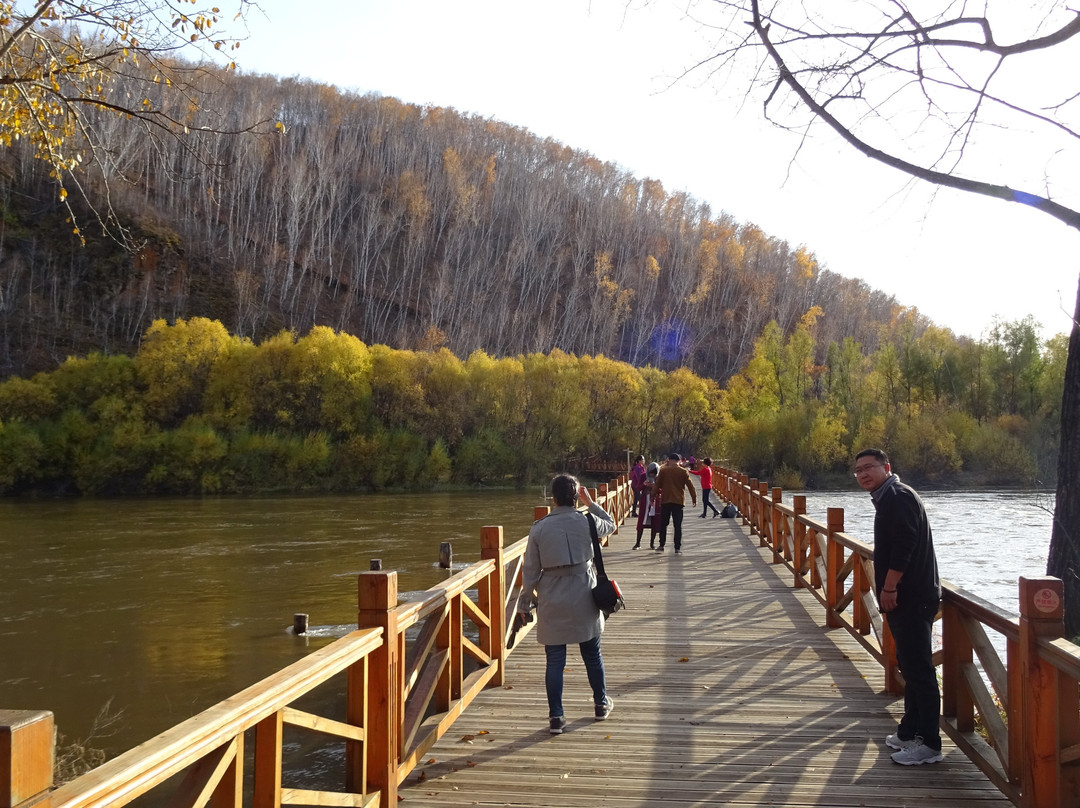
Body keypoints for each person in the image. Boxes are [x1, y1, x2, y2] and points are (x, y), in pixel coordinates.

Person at [854, 448, 943, 766]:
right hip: (906, 596)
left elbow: (905, 544)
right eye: (859, 470)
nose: (863, 474)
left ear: (886, 467)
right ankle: (909, 731)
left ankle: (930, 743)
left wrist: (889, 587)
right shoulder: (887, 495)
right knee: (909, 665)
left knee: (919, 670)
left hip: (911, 595)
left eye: (869, 467)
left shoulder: (898, 496)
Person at [517, 474, 617, 734]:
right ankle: (600, 704)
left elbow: (530, 573)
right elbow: (612, 523)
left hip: (552, 594)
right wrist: (591, 503)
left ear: (553, 497)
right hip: (584, 591)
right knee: (592, 654)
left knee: (555, 660)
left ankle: (556, 718)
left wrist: (524, 605)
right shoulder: (588, 521)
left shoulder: (539, 528)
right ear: (575, 497)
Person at [654, 453, 696, 555]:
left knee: (663, 524)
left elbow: (657, 485)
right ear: (678, 461)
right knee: (677, 526)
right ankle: (677, 548)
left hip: (666, 501)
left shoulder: (663, 471)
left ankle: (661, 545)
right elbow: (690, 486)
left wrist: (652, 497)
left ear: (670, 460)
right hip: (678, 501)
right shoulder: (683, 471)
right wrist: (694, 498)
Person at [632, 462, 662, 549]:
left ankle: (652, 543)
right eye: (651, 473)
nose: (652, 474)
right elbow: (638, 488)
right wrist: (644, 484)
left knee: (654, 521)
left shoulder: (660, 478)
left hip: (655, 500)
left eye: (653, 473)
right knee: (642, 521)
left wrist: (654, 487)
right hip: (645, 500)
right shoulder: (643, 476)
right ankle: (638, 543)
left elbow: (662, 490)